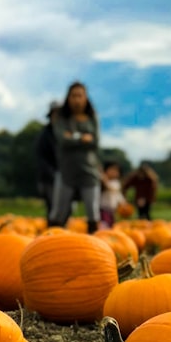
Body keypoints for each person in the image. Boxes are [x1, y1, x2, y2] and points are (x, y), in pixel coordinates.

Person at [48, 81, 102, 233]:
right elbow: (62, 140)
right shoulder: (61, 118)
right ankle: (49, 244)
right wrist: (82, 138)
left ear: (85, 98)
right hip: (66, 171)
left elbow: (95, 141)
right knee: (59, 211)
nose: (77, 100)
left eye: (80, 96)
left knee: (92, 211)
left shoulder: (92, 117)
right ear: (68, 98)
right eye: (73, 96)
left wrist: (73, 136)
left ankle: (95, 246)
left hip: (89, 171)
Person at [34, 101, 61, 222]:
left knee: (64, 207)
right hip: (49, 177)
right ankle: (52, 232)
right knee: (52, 207)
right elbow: (41, 157)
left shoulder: (64, 134)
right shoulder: (45, 135)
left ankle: (62, 232)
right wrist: (52, 173)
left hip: (64, 177)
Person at [99, 160, 126, 228]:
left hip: (112, 209)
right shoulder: (101, 184)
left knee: (111, 224)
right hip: (103, 208)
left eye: (116, 171)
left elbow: (114, 191)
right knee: (104, 224)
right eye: (111, 170)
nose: (114, 172)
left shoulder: (115, 183)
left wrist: (123, 203)